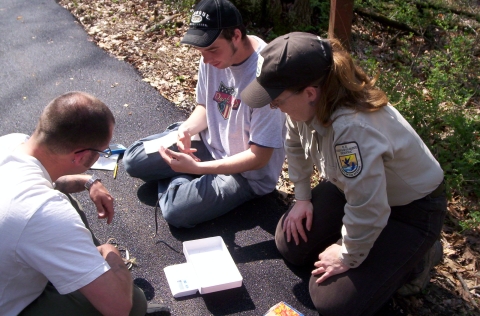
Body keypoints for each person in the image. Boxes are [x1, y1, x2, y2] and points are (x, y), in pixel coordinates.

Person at [241, 32, 446, 315]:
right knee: (290, 243)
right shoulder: (304, 103)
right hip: (352, 190)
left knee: (332, 299)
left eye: (276, 101)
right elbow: (295, 144)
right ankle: (362, 242)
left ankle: (418, 258)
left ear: (310, 92)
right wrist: (302, 198)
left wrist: (347, 255)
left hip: (411, 210)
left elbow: (370, 205)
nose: (273, 106)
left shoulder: (352, 130)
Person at [123, 0, 286, 228]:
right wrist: (186, 129)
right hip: (209, 143)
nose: (206, 59)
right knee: (133, 160)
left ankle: (181, 175)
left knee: (176, 211)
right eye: (201, 50)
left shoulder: (266, 75)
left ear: (236, 35)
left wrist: (196, 169)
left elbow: (259, 158)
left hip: (244, 174)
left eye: (211, 50)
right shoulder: (211, 55)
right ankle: (183, 172)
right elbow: (205, 106)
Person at [0, 92, 148, 316]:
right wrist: (110, 253)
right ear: (81, 156)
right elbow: (118, 307)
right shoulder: (45, 211)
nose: (101, 157)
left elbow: (52, 181)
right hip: (9, 305)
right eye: (102, 152)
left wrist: (89, 182)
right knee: (134, 301)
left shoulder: (12, 143)